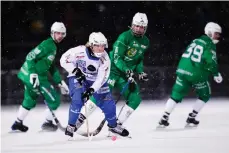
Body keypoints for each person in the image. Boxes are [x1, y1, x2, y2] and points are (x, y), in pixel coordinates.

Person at [73, 12, 150, 131]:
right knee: (100, 94)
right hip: (112, 70)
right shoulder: (124, 37)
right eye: (137, 26)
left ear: (145, 28)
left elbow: (139, 59)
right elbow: (117, 58)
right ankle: (78, 121)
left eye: (142, 27)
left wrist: (140, 72)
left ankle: (115, 125)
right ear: (132, 25)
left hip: (125, 74)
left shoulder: (146, 42)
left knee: (135, 98)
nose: (139, 29)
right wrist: (127, 70)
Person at [60, 32, 129, 137]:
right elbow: (63, 60)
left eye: (103, 46)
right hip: (78, 77)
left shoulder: (105, 59)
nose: (101, 49)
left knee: (108, 103)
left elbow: (102, 78)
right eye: (98, 46)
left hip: (95, 80)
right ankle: (71, 125)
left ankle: (113, 126)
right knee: (78, 99)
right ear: (91, 45)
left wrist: (91, 90)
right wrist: (75, 70)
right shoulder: (78, 51)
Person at [158, 22, 223, 127]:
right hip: (196, 73)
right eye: (216, 33)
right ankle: (191, 117)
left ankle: (164, 117)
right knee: (205, 94)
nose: (218, 36)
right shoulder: (209, 44)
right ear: (210, 32)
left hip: (182, 70)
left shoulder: (195, 40)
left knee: (175, 95)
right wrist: (215, 73)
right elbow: (211, 61)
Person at [11, 22, 69, 132]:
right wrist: (33, 73)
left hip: (30, 76)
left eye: (62, 34)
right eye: (57, 33)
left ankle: (18, 123)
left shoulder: (53, 46)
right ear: (52, 33)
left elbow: (51, 66)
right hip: (36, 77)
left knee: (30, 100)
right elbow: (30, 56)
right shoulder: (48, 44)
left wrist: (60, 82)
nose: (60, 36)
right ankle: (47, 123)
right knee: (54, 99)